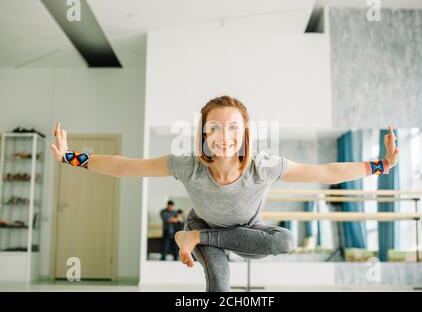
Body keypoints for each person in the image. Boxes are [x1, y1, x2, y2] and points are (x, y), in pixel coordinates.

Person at [51, 95, 399, 292]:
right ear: (204, 134)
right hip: (203, 227)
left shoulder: (263, 165)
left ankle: (196, 236)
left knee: (286, 240)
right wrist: (72, 158)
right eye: (213, 127)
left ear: (244, 133)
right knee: (219, 286)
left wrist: (379, 166)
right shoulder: (187, 165)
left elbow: (323, 172)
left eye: (233, 127)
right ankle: (199, 235)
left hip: (244, 232)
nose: (224, 135)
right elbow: (128, 166)